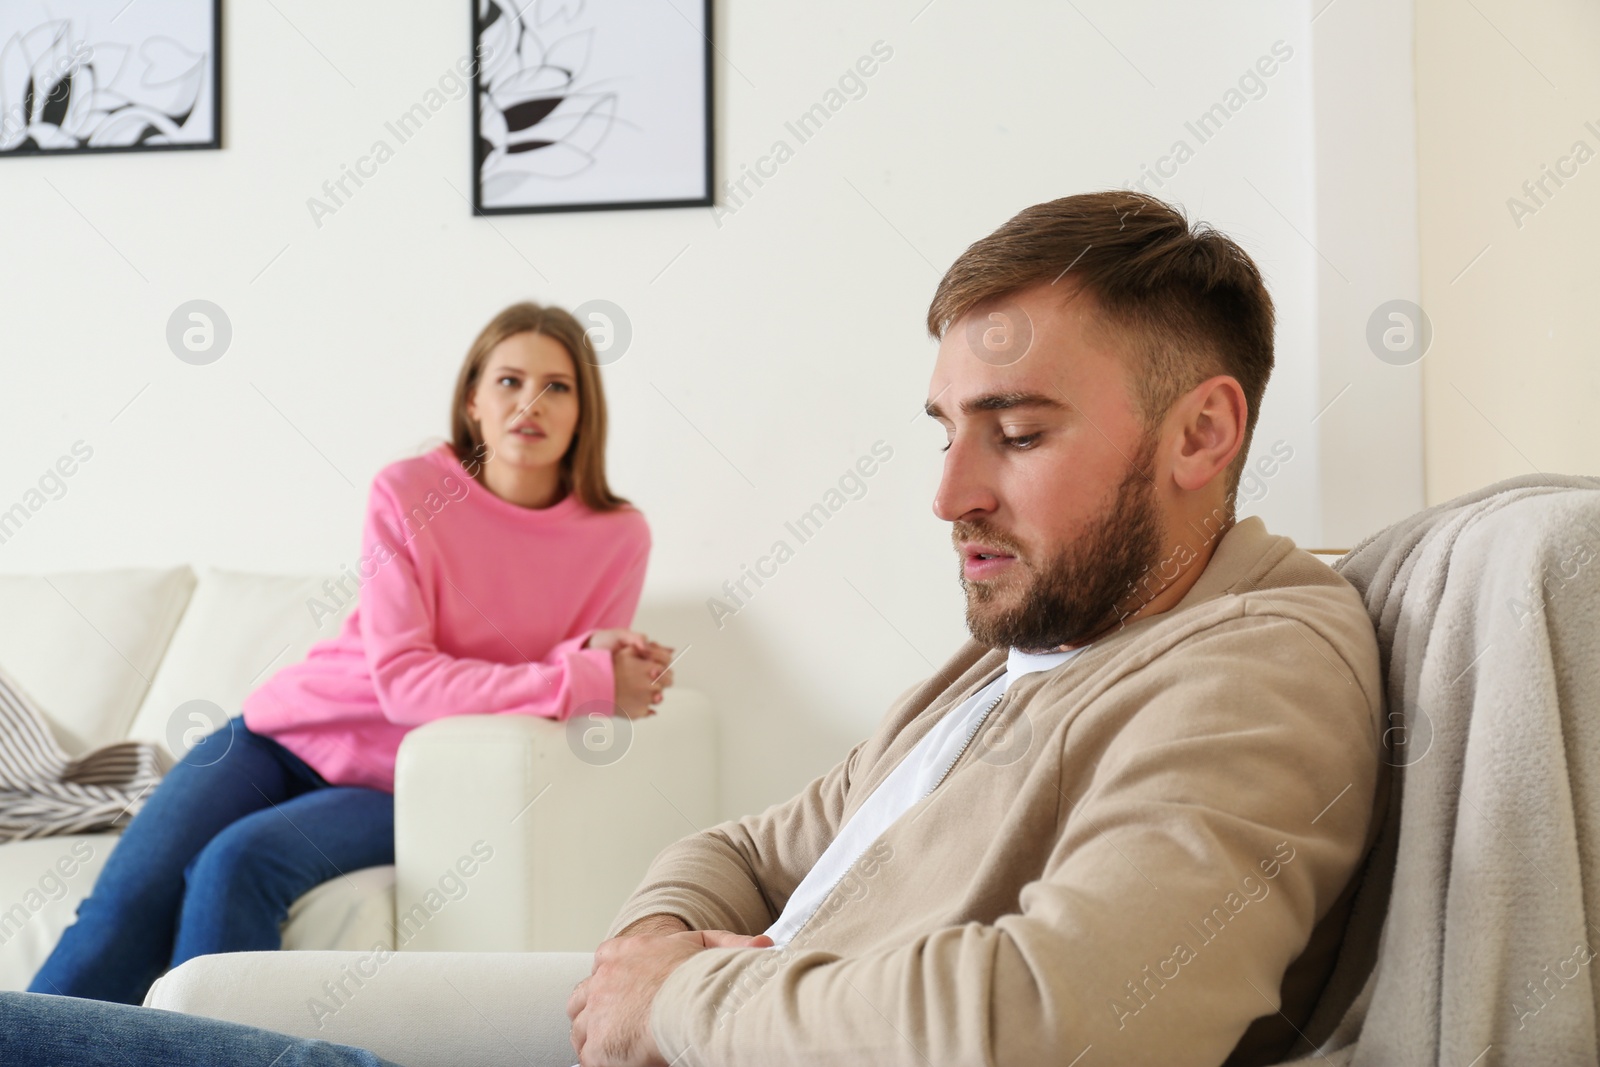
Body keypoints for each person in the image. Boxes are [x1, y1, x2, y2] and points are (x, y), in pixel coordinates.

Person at [1, 191, 1384, 1067]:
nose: (948, 493)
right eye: (946, 430)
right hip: (318, 749)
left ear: (1206, 430)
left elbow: (1054, 1019)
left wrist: (681, 1003)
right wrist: (664, 942)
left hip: (685, 1006)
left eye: (1016, 433)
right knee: (174, 982)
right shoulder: (1024, 649)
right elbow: (747, 842)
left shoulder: (1253, 667)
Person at [25, 301, 674, 1008]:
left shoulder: (617, 537)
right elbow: (404, 682)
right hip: (274, 737)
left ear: (585, 410)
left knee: (236, 863)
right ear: (473, 401)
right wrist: (582, 672)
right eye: (510, 381)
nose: (531, 403)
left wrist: (590, 658)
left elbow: (556, 681)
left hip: (402, 783)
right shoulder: (410, 491)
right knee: (120, 906)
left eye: (558, 386)